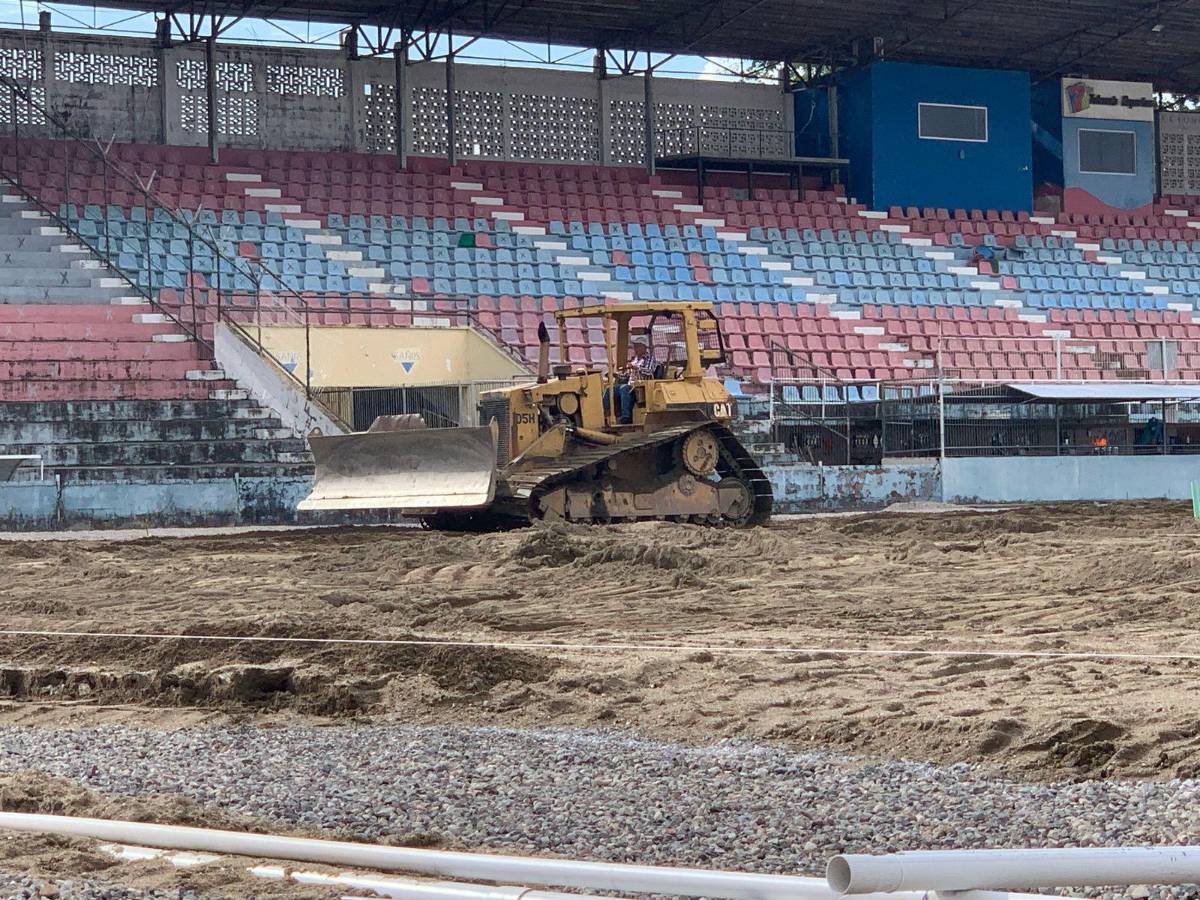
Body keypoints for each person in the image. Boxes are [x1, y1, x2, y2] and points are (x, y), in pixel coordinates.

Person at [605, 340, 654, 424]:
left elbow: (649, 371)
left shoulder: (649, 358)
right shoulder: (635, 359)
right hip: (630, 385)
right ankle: (606, 413)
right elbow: (627, 375)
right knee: (610, 389)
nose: (635, 349)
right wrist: (616, 375)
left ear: (644, 347)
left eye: (638, 346)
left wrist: (636, 368)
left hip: (641, 385)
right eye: (635, 346)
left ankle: (626, 417)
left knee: (624, 389)